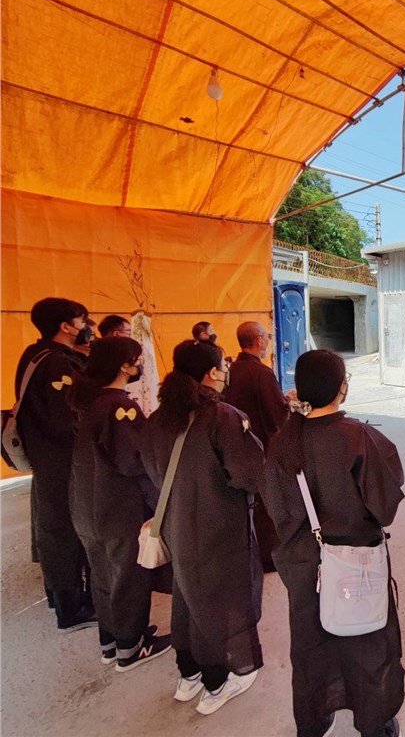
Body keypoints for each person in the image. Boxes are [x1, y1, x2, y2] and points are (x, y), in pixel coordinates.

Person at [265, 350, 405, 737]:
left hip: (303, 567)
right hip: (356, 564)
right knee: (367, 646)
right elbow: (385, 507)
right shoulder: (359, 437)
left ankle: (314, 721)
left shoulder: (280, 444)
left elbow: (276, 511)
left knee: (311, 648)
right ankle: (374, 724)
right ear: (342, 387)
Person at [140, 340, 265, 715]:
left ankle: (189, 673)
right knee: (219, 603)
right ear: (212, 372)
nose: (225, 371)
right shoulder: (223, 417)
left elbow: (150, 470)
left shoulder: (158, 417)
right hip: (218, 527)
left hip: (176, 524)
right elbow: (249, 474)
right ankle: (217, 681)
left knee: (187, 598)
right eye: (222, 366)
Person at [68, 337, 171, 670]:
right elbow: (132, 460)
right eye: (137, 359)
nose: (140, 365)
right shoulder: (119, 407)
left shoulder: (90, 402)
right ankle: (131, 646)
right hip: (116, 508)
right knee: (128, 577)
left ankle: (111, 641)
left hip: (86, 507)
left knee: (101, 575)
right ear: (124, 365)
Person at [14, 297, 96, 632]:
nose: (86, 326)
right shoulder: (57, 363)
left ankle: (60, 597)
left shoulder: (36, 354)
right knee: (64, 531)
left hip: (47, 456)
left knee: (56, 528)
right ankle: (71, 609)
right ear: (66, 326)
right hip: (61, 460)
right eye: (82, 320)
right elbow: (66, 419)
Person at [225, 321, 290, 572]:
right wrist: (287, 404)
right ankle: (267, 556)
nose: (268, 342)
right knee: (265, 503)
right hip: (261, 446)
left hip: (235, 445)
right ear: (259, 340)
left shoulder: (232, 369)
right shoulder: (261, 372)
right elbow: (276, 415)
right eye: (267, 337)